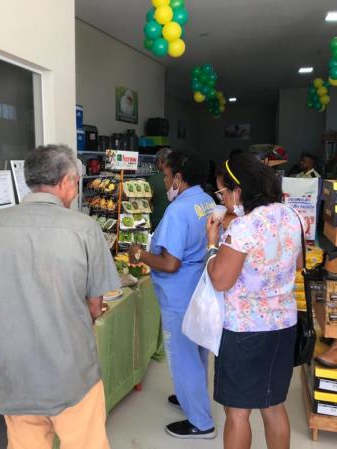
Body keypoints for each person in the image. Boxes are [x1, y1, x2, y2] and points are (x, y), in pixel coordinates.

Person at [0, 145, 120, 449]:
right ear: (65, 181)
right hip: (71, 370)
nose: (75, 192)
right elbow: (94, 304)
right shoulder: (85, 229)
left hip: (17, 370)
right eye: (76, 183)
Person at [205, 152, 303, 449]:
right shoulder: (291, 216)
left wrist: (212, 245)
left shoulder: (242, 228)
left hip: (244, 330)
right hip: (283, 325)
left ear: (239, 190)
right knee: (273, 405)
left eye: (223, 191)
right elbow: (297, 264)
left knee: (237, 411)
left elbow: (220, 280)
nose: (222, 199)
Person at [128, 150, 217, 439]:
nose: (165, 182)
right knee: (197, 350)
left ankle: (201, 422)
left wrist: (140, 254)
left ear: (178, 177)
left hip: (179, 292)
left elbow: (170, 262)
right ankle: (189, 396)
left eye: (166, 176)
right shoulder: (206, 201)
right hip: (198, 287)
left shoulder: (178, 210)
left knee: (183, 356)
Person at [149, 147, 172, 230]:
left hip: (158, 222)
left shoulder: (153, 179)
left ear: (159, 161)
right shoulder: (179, 178)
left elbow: (146, 202)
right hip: (173, 222)